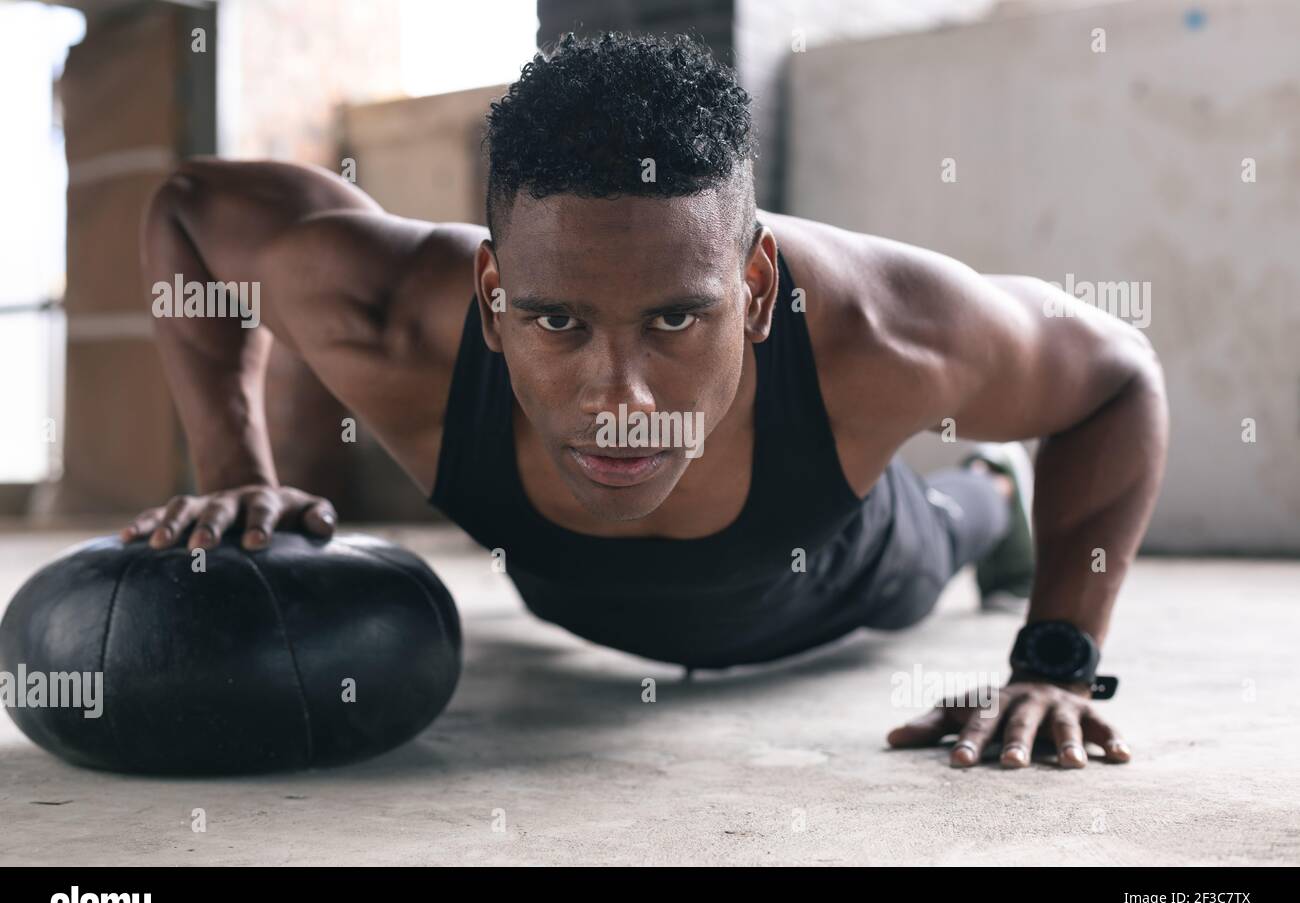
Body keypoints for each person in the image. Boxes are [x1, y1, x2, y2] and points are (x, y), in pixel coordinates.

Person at [128, 33, 1167, 770]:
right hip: (562, 597)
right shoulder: (389, 313)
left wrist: (1057, 663)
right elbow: (190, 208)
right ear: (492, 296)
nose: (617, 400)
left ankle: (993, 493)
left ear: (754, 290)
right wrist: (234, 475)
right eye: (556, 322)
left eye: (675, 320)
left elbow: (1116, 378)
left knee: (944, 532)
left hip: (839, 577)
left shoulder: (887, 332)